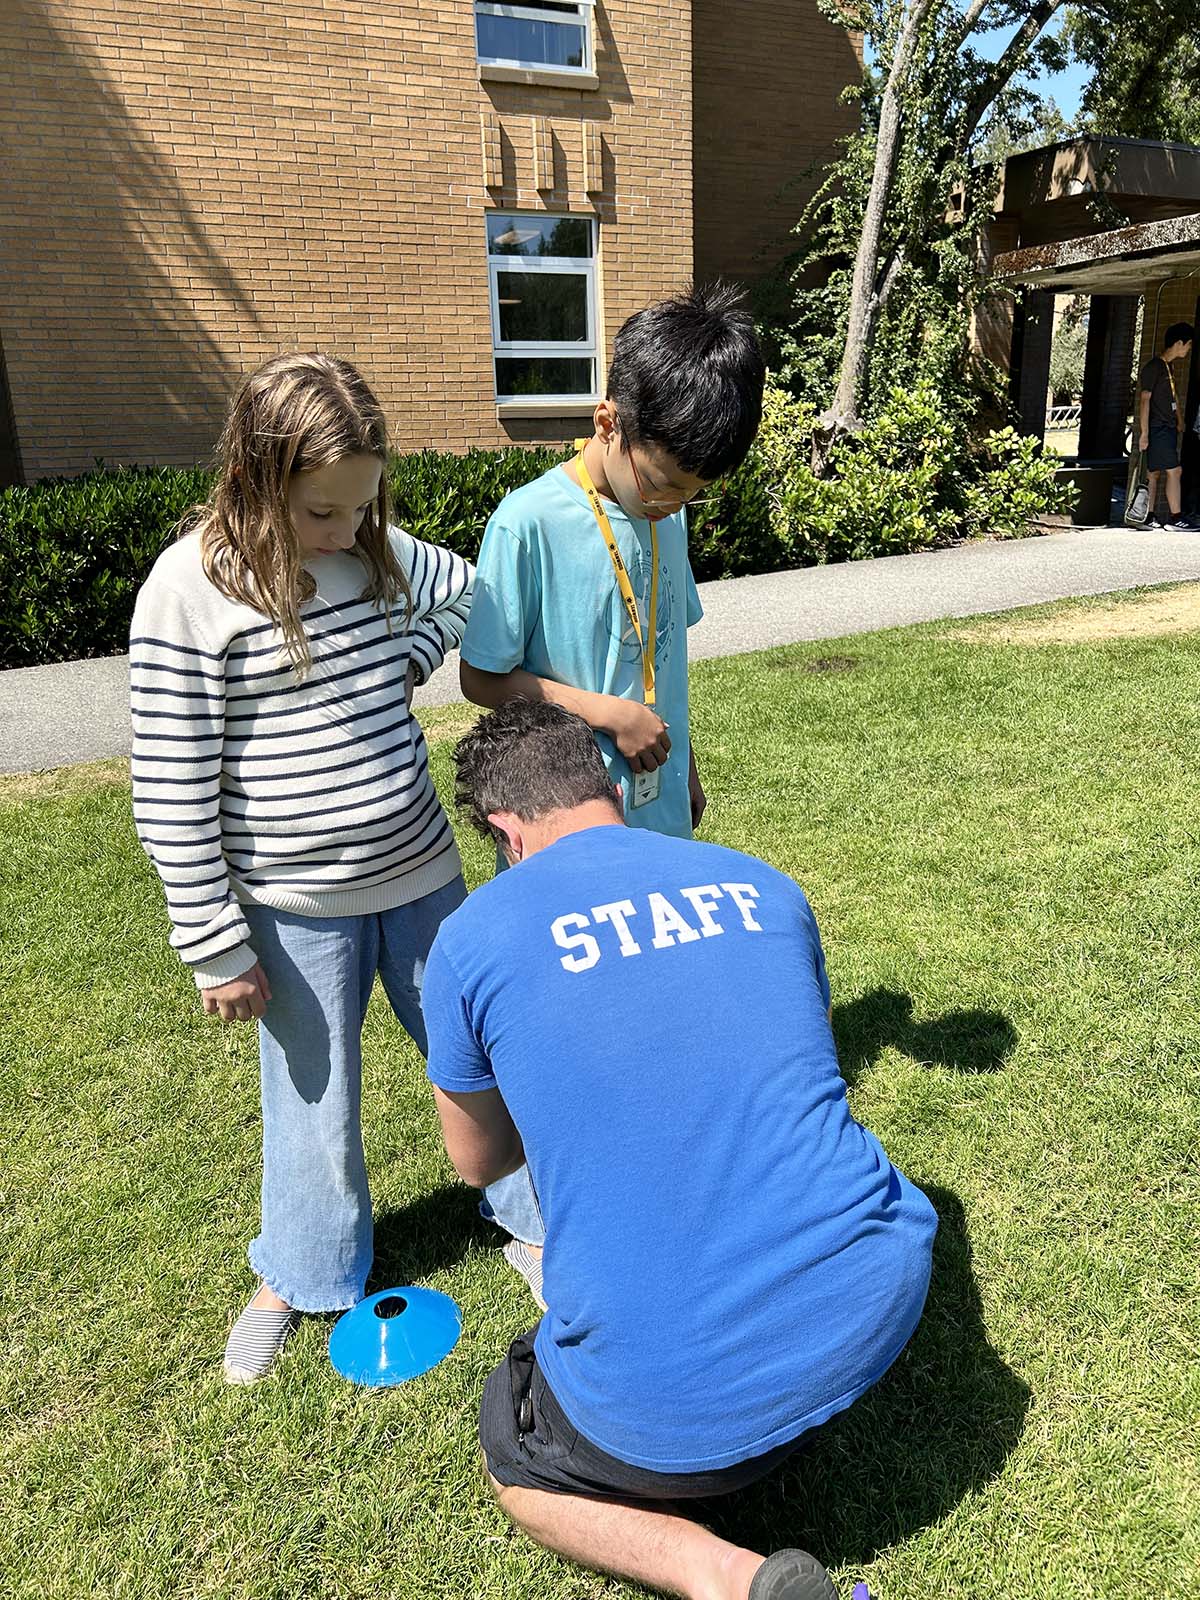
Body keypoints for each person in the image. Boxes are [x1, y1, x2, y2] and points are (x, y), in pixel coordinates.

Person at [421, 700, 938, 1600]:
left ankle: (724, 1576)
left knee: (515, 1453)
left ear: (503, 829)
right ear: (606, 782)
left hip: (673, 1413)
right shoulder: (761, 883)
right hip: (882, 1295)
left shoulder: (470, 940)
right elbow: (807, 1055)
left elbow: (479, 1162)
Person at [129, 353, 473, 1383]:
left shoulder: (374, 548)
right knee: (313, 1098)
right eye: (322, 513)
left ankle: (538, 1216)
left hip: (420, 873)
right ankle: (304, 1269)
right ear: (255, 476)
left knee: (480, 1051)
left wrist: (406, 657)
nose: (346, 535)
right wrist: (214, 945)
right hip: (293, 908)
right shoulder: (188, 590)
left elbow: (460, 588)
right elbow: (171, 789)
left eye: (363, 509)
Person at [457, 283, 766, 1280]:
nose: (676, 504)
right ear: (609, 423)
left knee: (657, 1002)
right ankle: (548, 1210)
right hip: (562, 825)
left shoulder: (663, 516)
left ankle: (659, 1168)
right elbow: (478, 677)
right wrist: (606, 716)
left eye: (693, 493)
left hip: (656, 814)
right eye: (668, 482)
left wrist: (689, 764)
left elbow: (665, 655)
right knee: (568, 1021)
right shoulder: (529, 523)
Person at [1138, 321, 1194, 529]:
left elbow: (1174, 398)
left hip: (1167, 428)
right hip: (1158, 428)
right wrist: (1145, 433)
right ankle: (1175, 517)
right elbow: (1145, 400)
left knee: (1153, 473)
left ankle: (1147, 515)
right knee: (1174, 470)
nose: (1188, 349)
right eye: (1188, 345)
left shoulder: (1168, 367)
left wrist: (1180, 420)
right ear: (1179, 343)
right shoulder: (1154, 367)